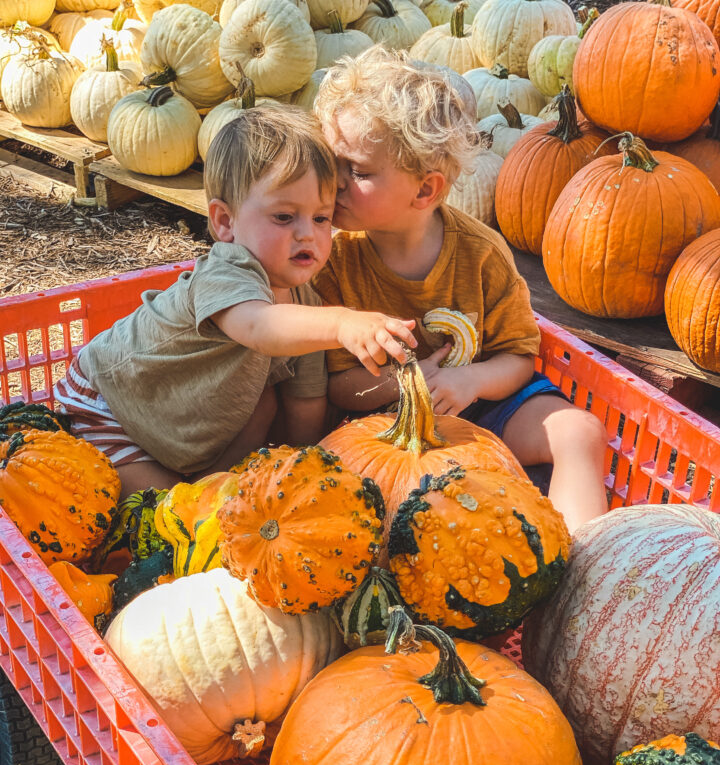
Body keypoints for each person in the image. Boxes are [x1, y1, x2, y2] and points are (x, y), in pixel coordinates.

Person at [313, 47, 609, 532]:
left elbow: (518, 356)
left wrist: (469, 381)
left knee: (579, 432)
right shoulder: (331, 259)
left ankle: (583, 566)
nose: (336, 183)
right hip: (385, 430)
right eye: (332, 163)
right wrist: (405, 385)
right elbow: (336, 383)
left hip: (484, 407)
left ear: (425, 191)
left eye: (359, 172)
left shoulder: (481, 254)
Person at [54, 105, 416, 496]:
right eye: (284, 217)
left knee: (266, 406)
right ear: (225, 222)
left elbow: (305, 404)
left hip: (183, 429)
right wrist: (344, 322)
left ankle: (224, 493)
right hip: (109, 411)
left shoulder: (308, 305)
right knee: (169, 522)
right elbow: (261, 326)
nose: (306, 234)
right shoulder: (225, 272)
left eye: (321, 218)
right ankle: (205, 498)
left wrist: (303, 480)